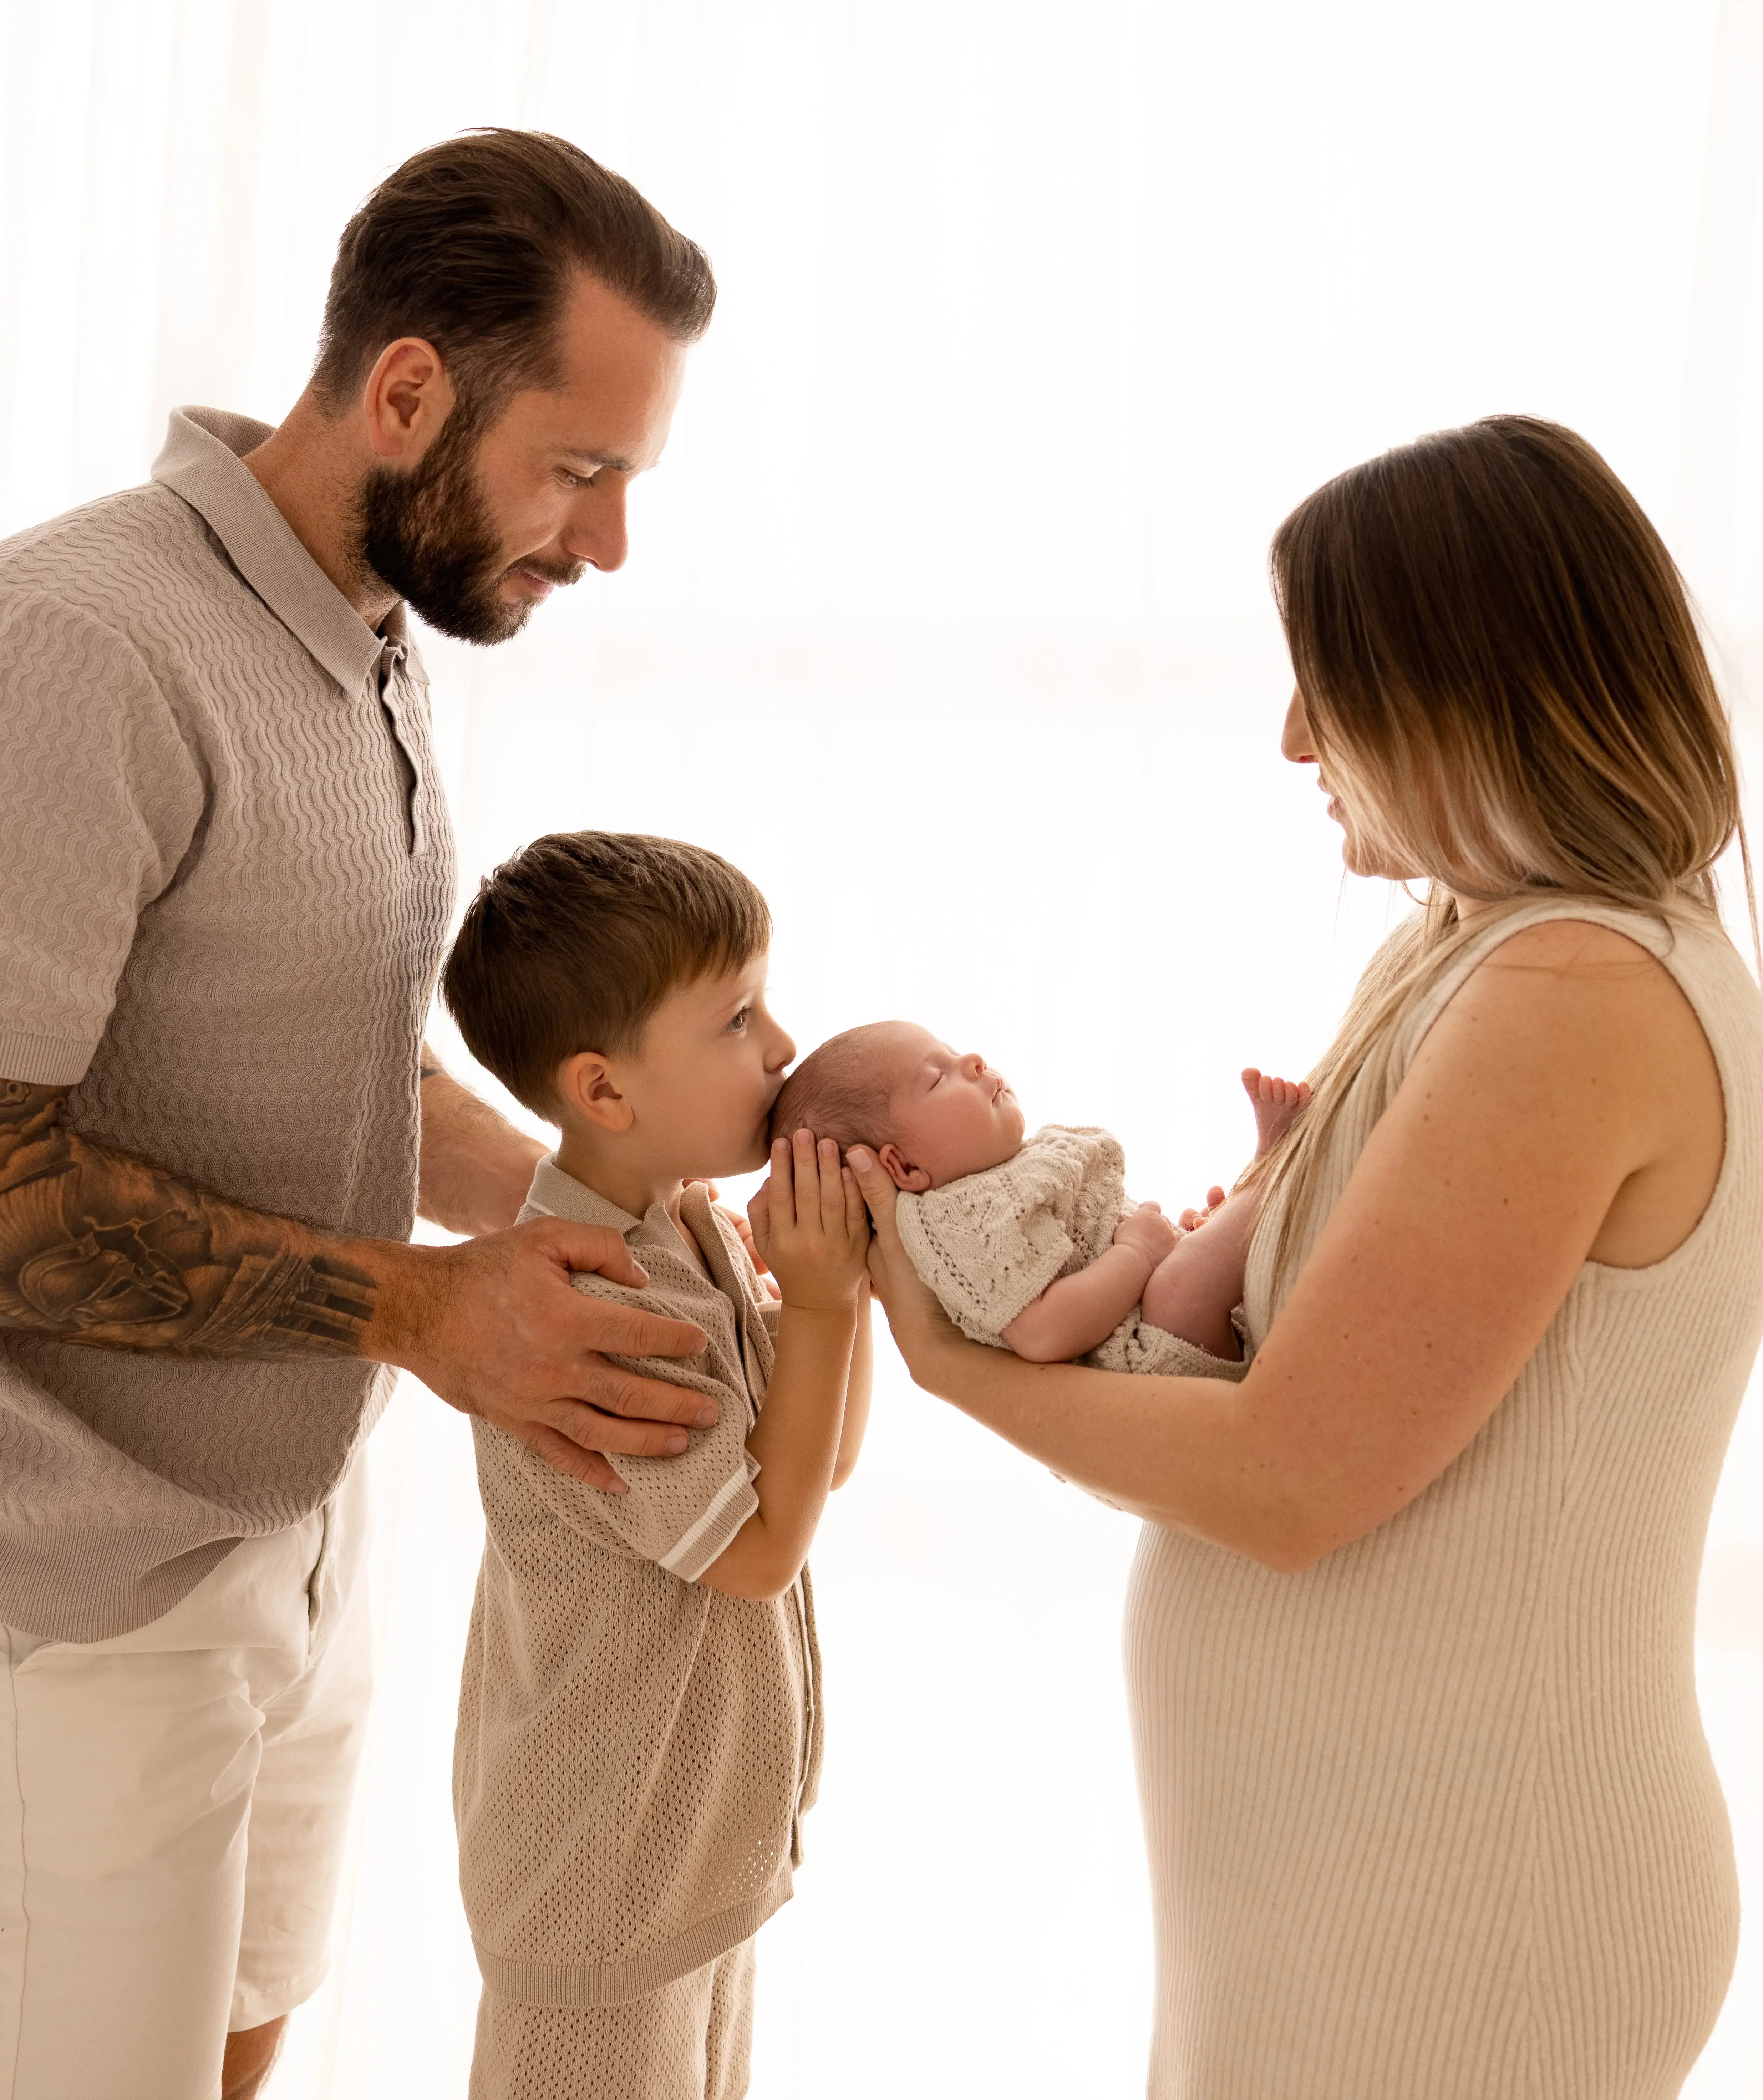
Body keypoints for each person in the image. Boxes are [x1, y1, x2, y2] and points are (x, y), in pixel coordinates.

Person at [0, 131, 732, 2100]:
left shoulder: (361, 639)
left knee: (236, 2049)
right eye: (581, 468)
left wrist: (601, 1203)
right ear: (410, 393)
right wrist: (426, 1312)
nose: (606, 542)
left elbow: (332, 1062)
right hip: (57, 1599)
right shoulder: (79, 648)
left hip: (280, 1528)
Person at [856, 415, 1763, 2100]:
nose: (1288, 737)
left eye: (1324, 682)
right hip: (1380, 1893)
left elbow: (1290, 1477)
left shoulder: (1574, 993)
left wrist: (950, 1361)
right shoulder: (1475, 946)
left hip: (1466, 1909)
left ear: (1464, 689)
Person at [439, 832, 872, 2100]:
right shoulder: (591, 1292)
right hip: (601, 1874)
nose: (784, 1047)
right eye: (738, 1017)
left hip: (691, 1857)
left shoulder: (685, 1227)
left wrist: (837, 1284)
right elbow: (756, 1555)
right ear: (604, 1090)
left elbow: (819, 1468)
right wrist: (831, 1312)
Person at [772, 1021, 1307, 1363]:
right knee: (1180, 1287)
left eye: (955, 1052)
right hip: (1143, 1362)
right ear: (904, 1167)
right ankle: (1271, 1170)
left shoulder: (1009, 1176)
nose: (975, 1060)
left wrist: (1176, 1244)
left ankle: (1246, 1210)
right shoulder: (953, 1223)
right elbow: (1043, 1334)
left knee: (1203, 1257)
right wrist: (1141, 1253)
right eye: (938, 1078)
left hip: (1157, 1308)